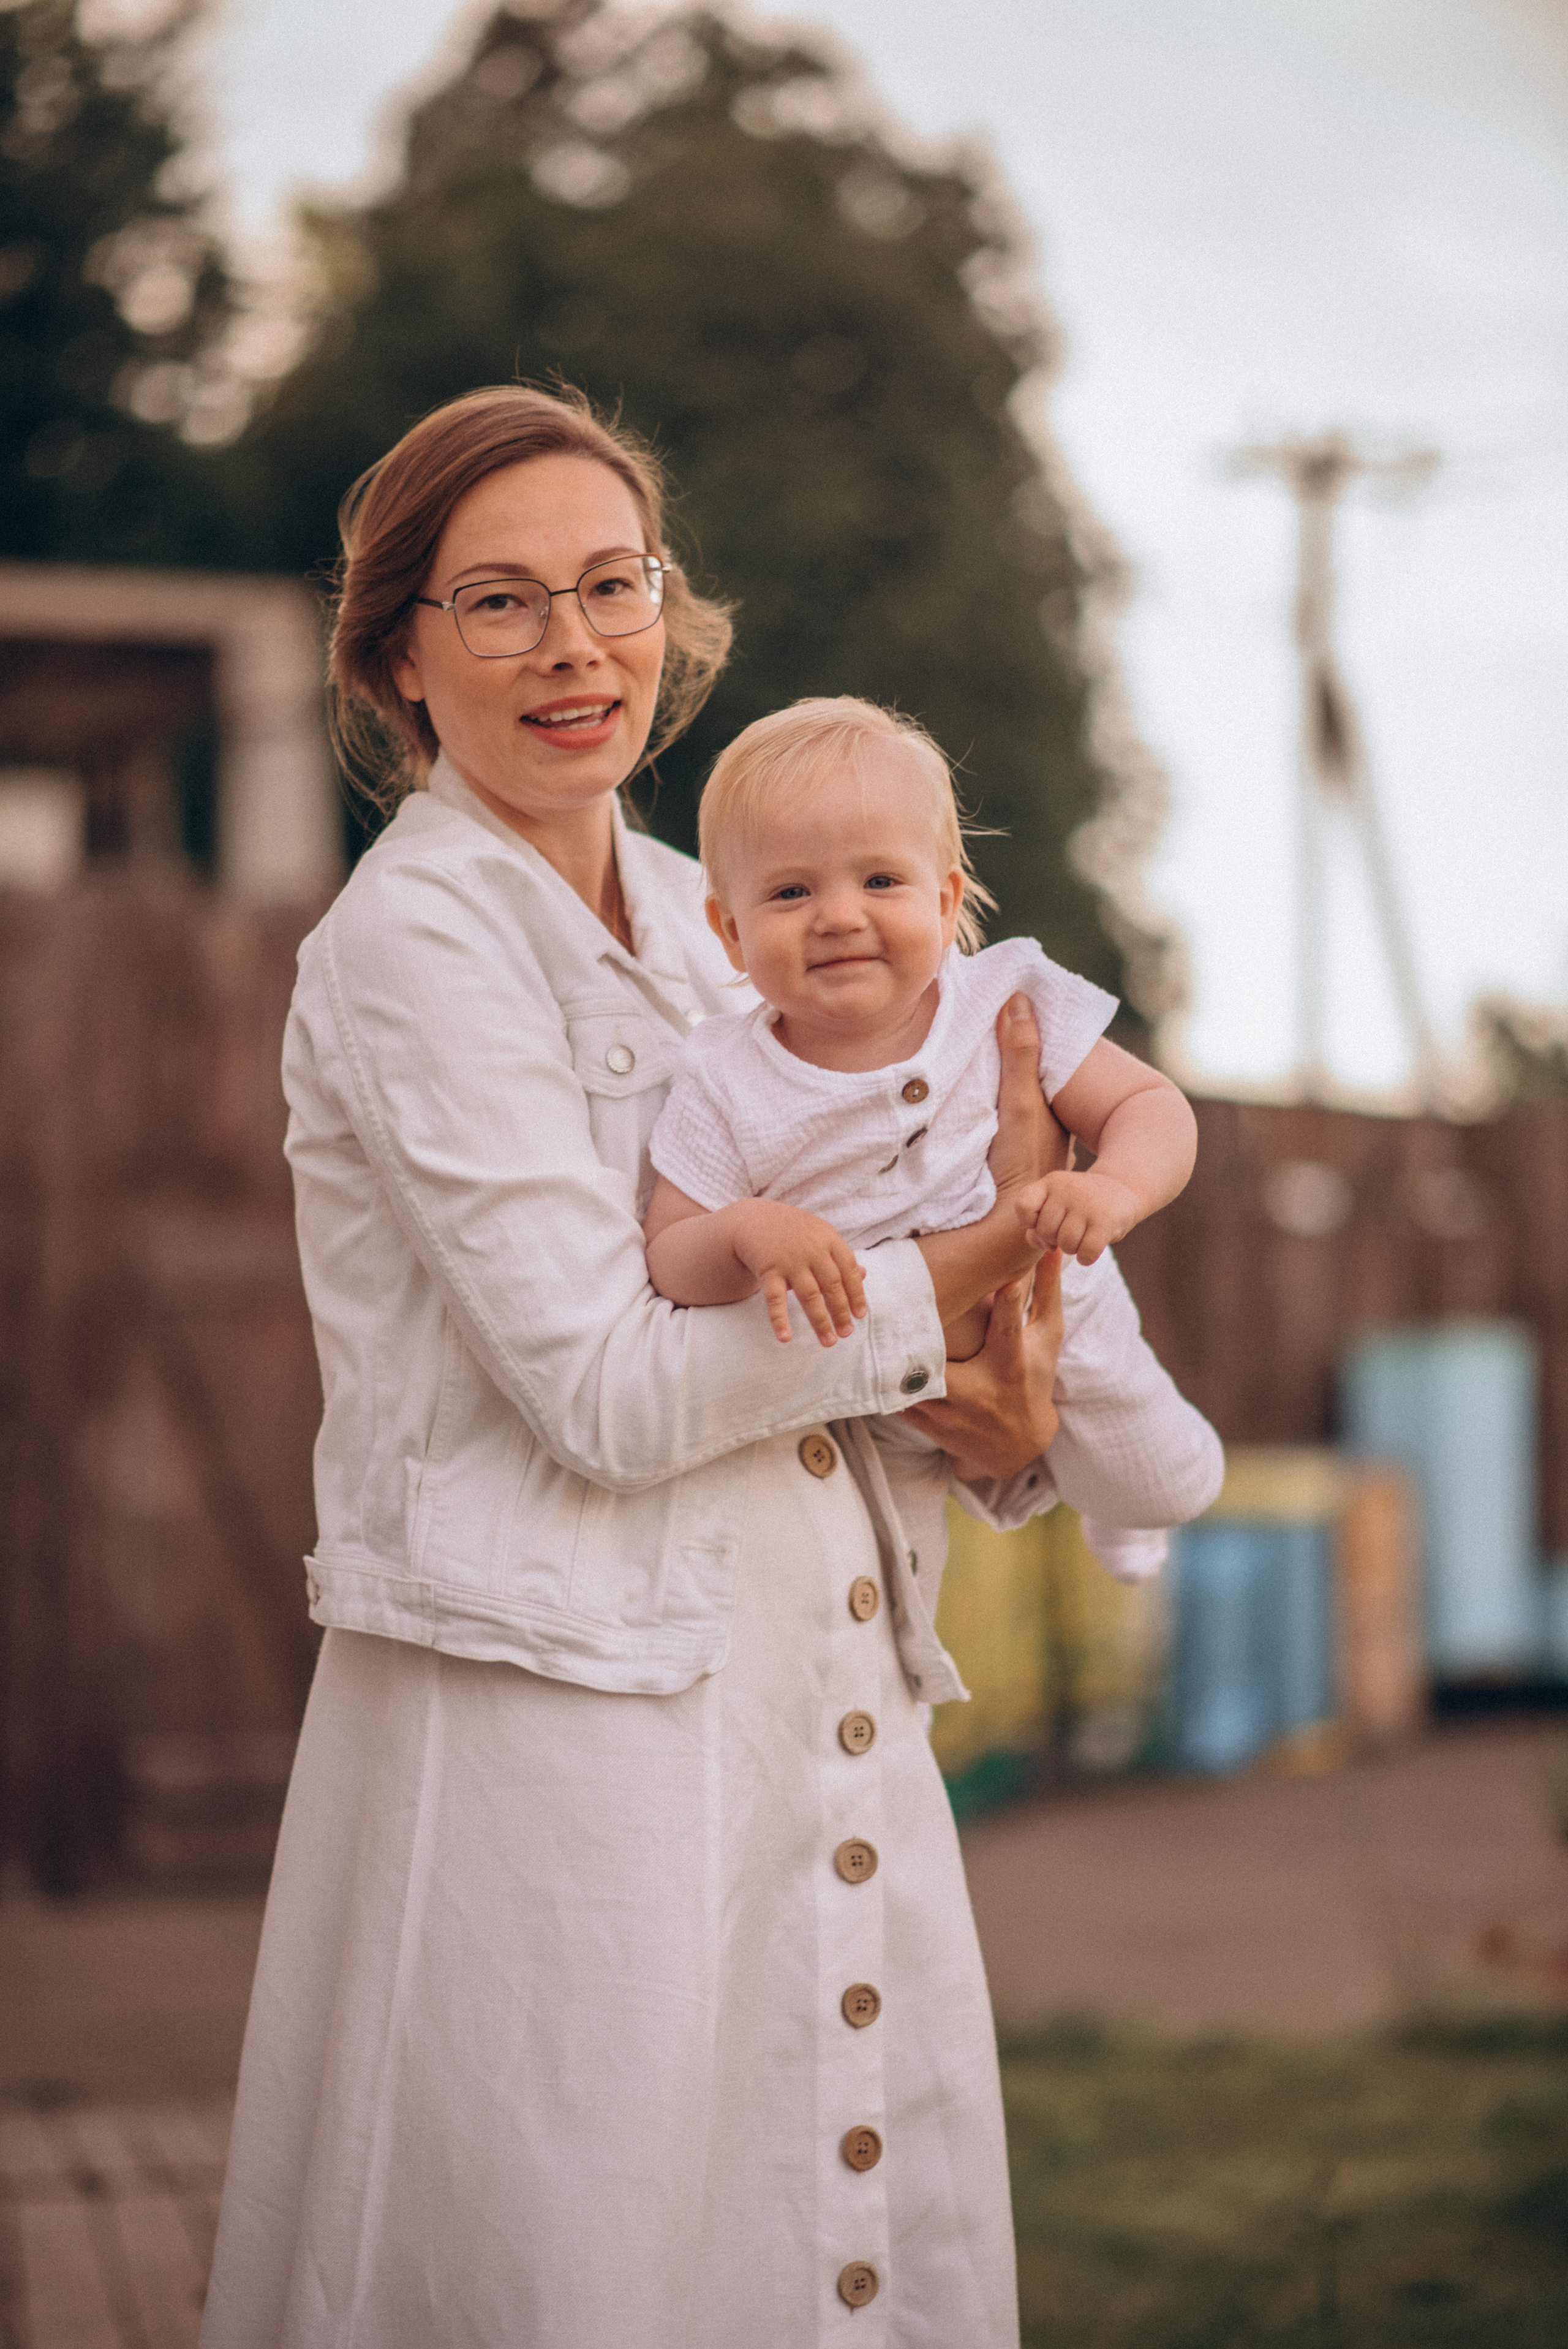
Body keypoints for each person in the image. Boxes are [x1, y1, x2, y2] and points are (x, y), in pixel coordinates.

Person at [199, 382, 1222, 2349]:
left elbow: (916, 1311)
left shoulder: (719, 909)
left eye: (613, 585)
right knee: (590, 2260)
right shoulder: (418, 944)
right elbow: (603, 1387)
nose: (573, 649)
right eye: (499, 604)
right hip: (564, 1734)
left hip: (808, 1694)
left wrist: (1011, 1423)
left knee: (818, 2262)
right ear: (398, 652)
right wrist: (976, 1267)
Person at [644, 694, 1202, 1591]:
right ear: (730, 931)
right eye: (791, 891)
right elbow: (673, 1256)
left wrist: (1116, 1190)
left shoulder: (1002, 999)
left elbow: (1152, 1104)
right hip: (878, 1389)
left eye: (879, 882)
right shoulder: (723, 1077)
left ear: (945, 902)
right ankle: (1059, 1485)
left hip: (1067, 1307)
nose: (837, 916)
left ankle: (1114, 1510)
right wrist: (748, 1230)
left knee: (1174, 1481)